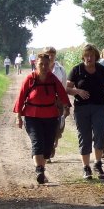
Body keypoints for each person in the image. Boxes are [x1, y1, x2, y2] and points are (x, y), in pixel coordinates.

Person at [13, 53, 71, 184]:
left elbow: (62, 93)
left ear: (50, 65)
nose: (44, 67)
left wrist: (66, 107)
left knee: (48, 147)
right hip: (32, 116)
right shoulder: (30, 79)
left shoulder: (52, 79)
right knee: (37, 142)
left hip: (51, 116)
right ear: (36, 64)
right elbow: (21, 97)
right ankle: (39, 169)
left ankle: (41, 169)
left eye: (46, 64)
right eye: (41, 64)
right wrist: (18, 117)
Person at [67, 44, 104, 180]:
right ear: (83, 56)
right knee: (84, 137)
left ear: (96, 57)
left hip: (99, 107)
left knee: (100, 134)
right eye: (86, 55)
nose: (89, 58)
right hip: (81, 108)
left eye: (91, 55)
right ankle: (86, 167)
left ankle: (97, 164)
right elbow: (67, 88)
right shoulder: (77, 70)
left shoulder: (103, 70)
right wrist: (78, 91)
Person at [43, 46, 71, 162]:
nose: (50, 57)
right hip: (43, 101)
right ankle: (46, 151)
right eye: (48, 54)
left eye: (52, 54)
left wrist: (65, 104)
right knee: (44, 126)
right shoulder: (40, 68)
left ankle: (52, 146)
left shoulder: (61, 69)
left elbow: (64, 87)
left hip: (57, 101)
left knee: (57, 126)